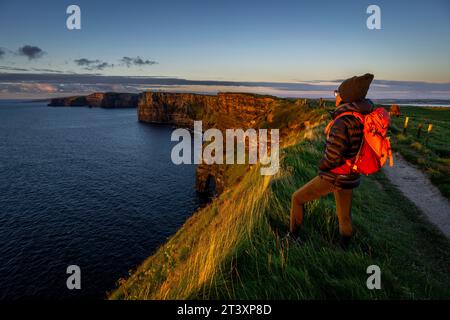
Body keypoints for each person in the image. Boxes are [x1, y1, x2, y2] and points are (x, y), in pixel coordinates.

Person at [290, 73, 375, 247]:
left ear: (345, 97)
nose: (335, 97)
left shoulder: (342, 121)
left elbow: (333, 157)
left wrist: (322, 166)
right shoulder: (361, 116)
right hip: (351, 175)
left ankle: (292, 238)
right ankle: (344, 248)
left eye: (337, 93)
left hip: (335, 176)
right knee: (344, 215)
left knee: (296, 198)